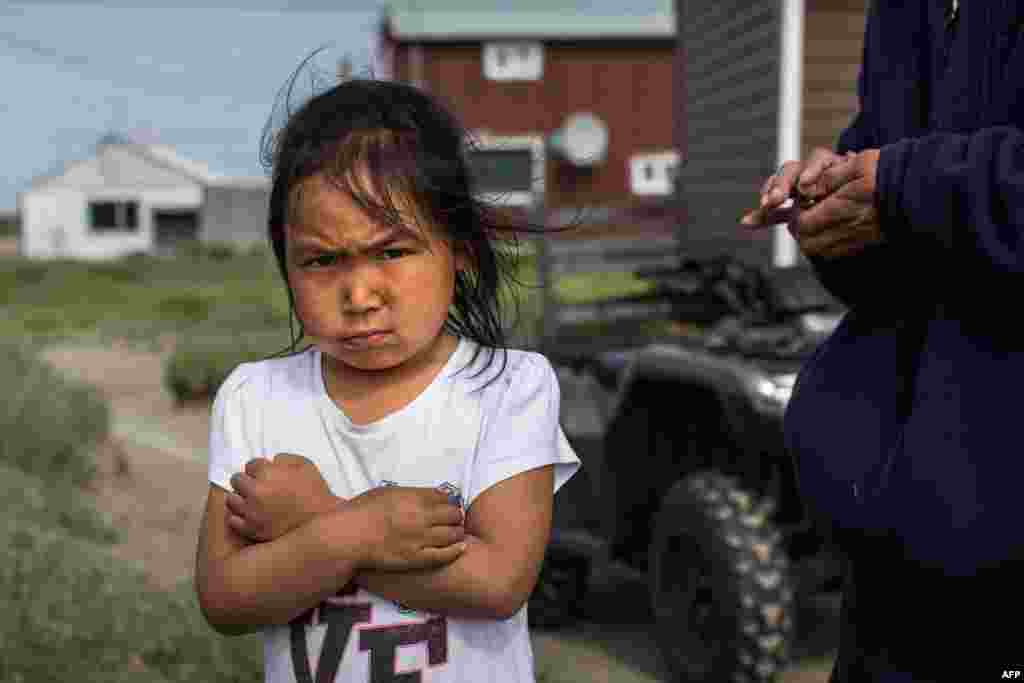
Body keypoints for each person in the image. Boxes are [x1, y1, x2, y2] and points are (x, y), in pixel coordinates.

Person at [194, 75, 580, 683]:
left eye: (392, 252)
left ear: (458, 249)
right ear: (287, 265)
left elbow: (498, 582)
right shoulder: (254, 398)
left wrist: (318, 520)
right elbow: (224, 598)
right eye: (322, 260)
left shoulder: (509, 388)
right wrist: (355, 533)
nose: (359, 294)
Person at [741, 1, 1024, 680]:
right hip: (896, 571)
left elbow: (916, 185)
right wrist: (833, 207)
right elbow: (906, 241)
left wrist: (902, 186)